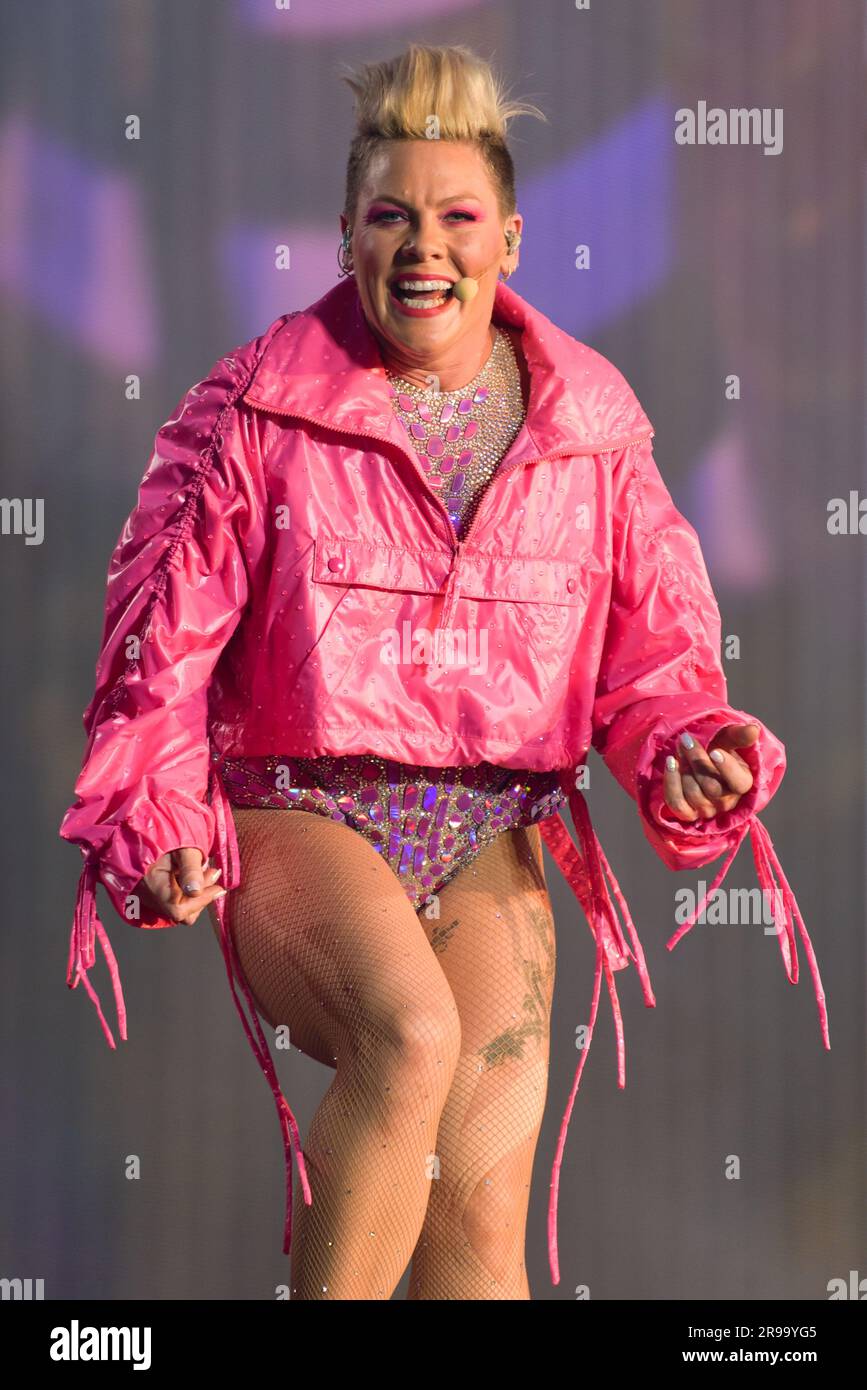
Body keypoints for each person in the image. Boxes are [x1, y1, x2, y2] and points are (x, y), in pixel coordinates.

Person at [58, 43, 828, 1300]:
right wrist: (154, 820)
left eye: (458, 217)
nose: (426, 245)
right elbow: (159, 653)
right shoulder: (252, 411)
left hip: (494, 835)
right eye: (392, 215)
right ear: (348, 235)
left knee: (479, 1230)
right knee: (410, 1036)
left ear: (510, 241)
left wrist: (688, 749)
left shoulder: (593, 426)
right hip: (301, 813)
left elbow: (654, 663)